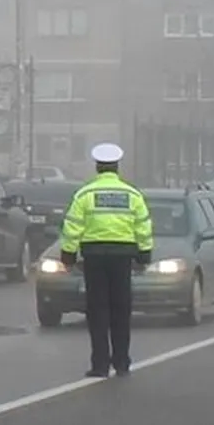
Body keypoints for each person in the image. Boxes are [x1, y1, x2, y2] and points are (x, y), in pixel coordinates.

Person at [59, 143, 154, 377]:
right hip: (123, 257)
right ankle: (122, 362)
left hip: (94, 257)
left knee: (98, 310)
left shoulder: (85, 194)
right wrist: (144, 254)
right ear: (117, 167)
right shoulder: (132, 194)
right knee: (121, 310)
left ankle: (100, 364)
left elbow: (72, 227)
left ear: (97, 167)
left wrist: (68, 255)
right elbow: (143, 226)